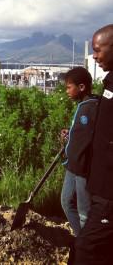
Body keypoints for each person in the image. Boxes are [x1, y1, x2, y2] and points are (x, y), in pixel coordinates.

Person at [71, 24, 113, 264]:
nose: (94, 56)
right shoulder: (109, 83)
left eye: (98, 50)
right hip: (100, 187)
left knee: (85, 248)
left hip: (109, 193)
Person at [60, 67, 98, 236]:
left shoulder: (92, 108)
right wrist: (71, 134)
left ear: (81, 87)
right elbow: (82, 134)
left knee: (84, 211)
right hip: (72, 167)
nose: (66, 90)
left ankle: (86, 247)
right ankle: (80, 238)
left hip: (83, 170)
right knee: (66, 201)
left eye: (69, 87)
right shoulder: (83, 106)